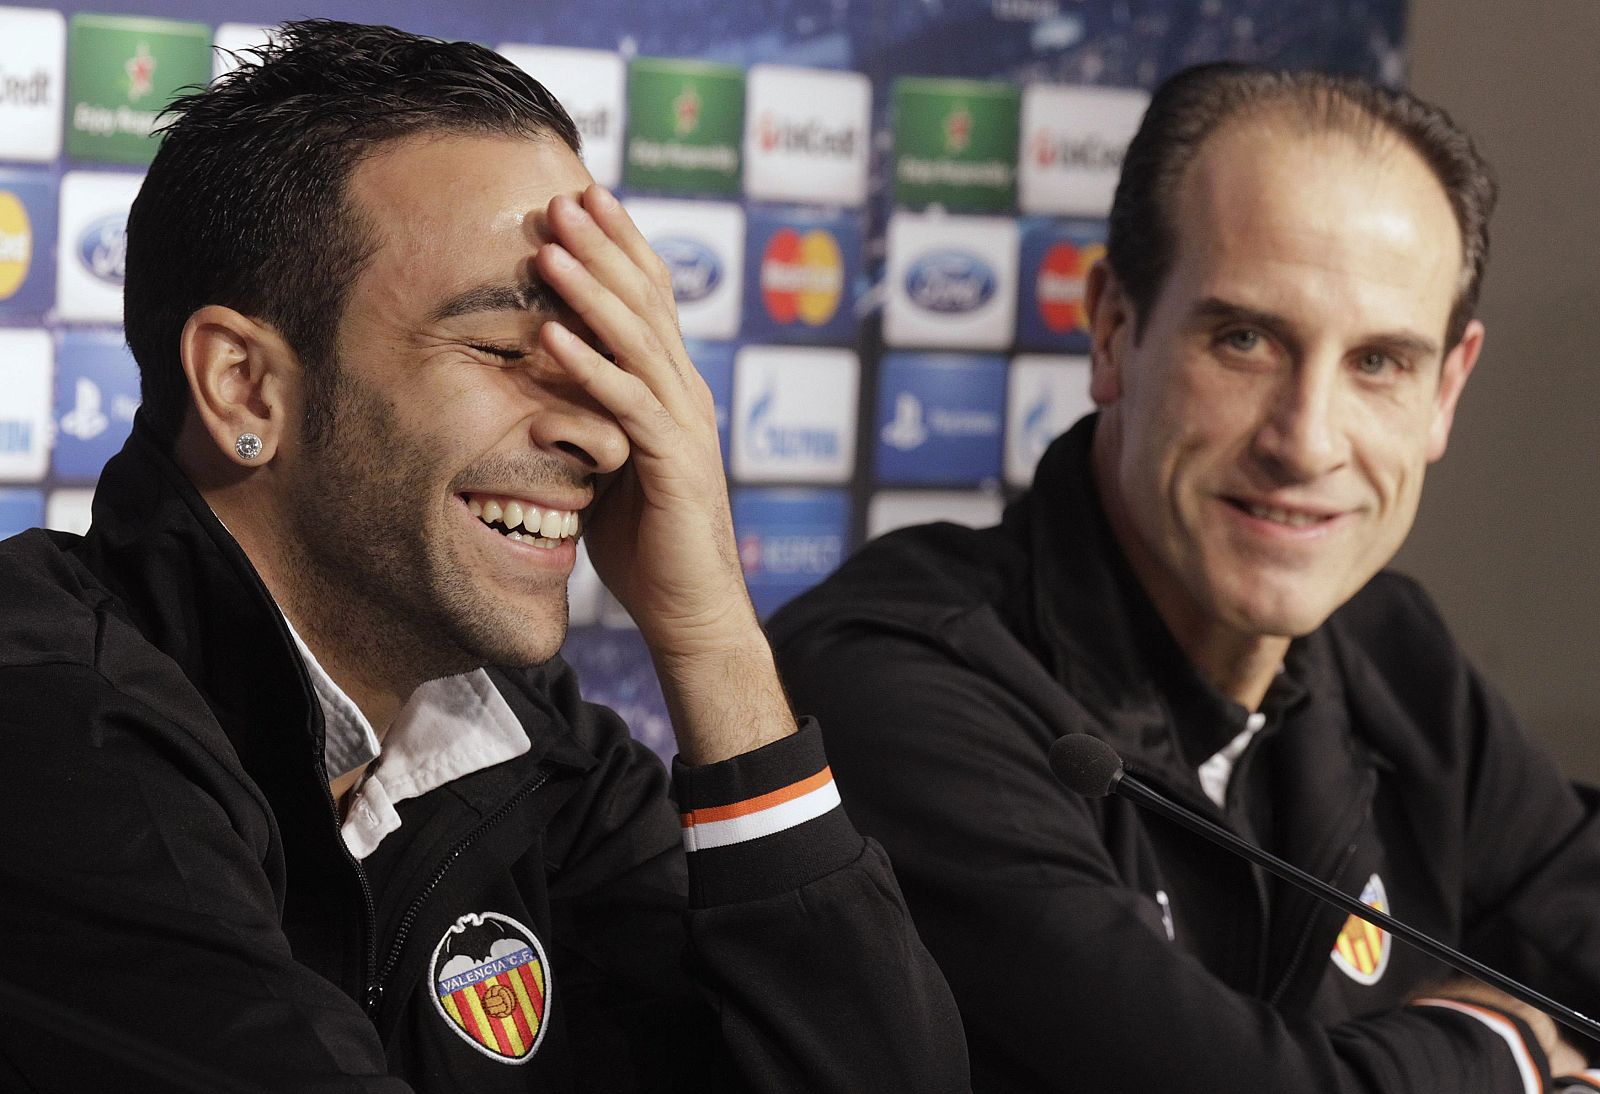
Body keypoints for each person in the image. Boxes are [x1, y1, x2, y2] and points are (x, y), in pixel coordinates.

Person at [0, 20, 968, 1092]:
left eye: (600, 355)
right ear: (246, 387)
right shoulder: (47, 726)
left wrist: (710, 637)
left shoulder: (530, 739)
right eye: (506, 349)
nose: (602, 435)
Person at [770, 62, 1600, 1093]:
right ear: (1113, 330)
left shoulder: (1390, 645)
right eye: (1245, 340)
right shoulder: (889, 680)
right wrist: (1509, 1052)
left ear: (1446, 389)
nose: (1307, 441)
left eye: (1379, 363)